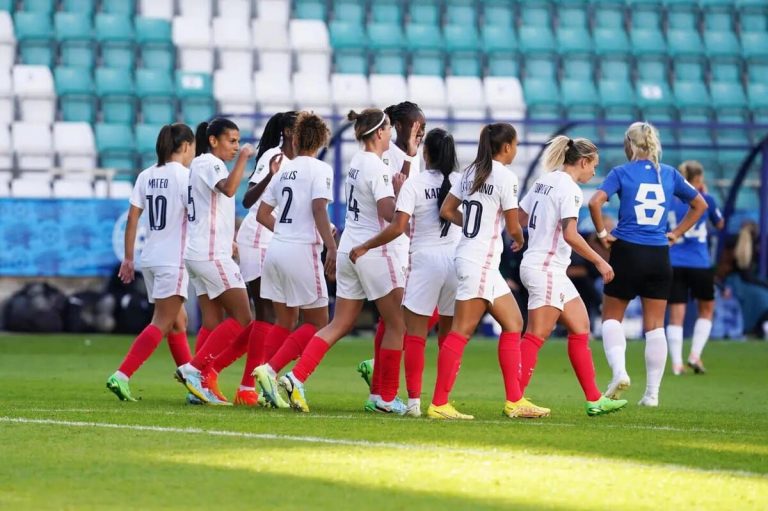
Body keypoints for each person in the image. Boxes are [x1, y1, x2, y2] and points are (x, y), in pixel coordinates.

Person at [256, 108, 408, 414]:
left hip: (347, 247)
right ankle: (385, 398)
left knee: (338, 323)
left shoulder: (355, 162)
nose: (391, 133)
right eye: (388, 128)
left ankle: (296, 377)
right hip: (371, 250)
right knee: (397, 324)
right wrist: (401, 191)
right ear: (379, 133)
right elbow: (388, 213)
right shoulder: (376, 168)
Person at [433, 122, 547, 420]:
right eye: (516, 145)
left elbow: (446, 210)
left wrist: (471, 228)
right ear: (507, 146)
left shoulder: (470, 172)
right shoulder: (506, 177)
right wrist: (520, 239)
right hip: (480, 261)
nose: (517, 150)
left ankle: (515, 400)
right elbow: (513, 226)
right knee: (461, 331)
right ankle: (439, 403)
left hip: (475, 258)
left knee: (513, 322)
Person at [588, 122, 708, 407]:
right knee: (655, 326)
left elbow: (595, 202)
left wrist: (603, 235)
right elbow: (700, 204)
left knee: (612, 317)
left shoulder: (621, 172)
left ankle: (619, 373)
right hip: (658, 254)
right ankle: (652, 394)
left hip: (627, 250)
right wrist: (676, 233)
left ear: (630, 144)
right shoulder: (669, 173)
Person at [349, 128, 460, 417]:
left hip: (424, 261)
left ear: (427, 154)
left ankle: (413, 403)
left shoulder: (414, 184)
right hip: (456, 260)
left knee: (415, 335)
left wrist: (365, 245)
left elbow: (398, 227)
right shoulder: (460, 182)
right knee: (449, 337)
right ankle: (442, 402)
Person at [516, 135, 628, 416]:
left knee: (580, 327)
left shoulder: (545, 180)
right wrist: (600, 261)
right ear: (583, 161)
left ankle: (594, 398)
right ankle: (515, 398)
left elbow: (520, 215)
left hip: (542, 265)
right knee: (536, 335)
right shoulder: (570, 188)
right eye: (594, 165)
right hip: (547, 267)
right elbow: (570, 234)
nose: (594, 172)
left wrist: (521, 237)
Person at [249, 112, 337, 412]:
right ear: (322, 140)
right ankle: (271, 371)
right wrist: (331, 245)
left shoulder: (284, 171)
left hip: (276, 250)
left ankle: (264, 388)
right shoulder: (321, 169)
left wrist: (287, 232)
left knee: (285, 320)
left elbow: (262, 214)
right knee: (320, 323)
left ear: (296, 139)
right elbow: (318, 208)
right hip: (301, 252)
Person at [174, 118, 264, 405]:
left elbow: (208, 209)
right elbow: (228, 189)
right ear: (213, 141)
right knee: (244, 317)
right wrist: (246, 160)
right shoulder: (210, 163)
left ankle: (199, 388)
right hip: (211, 255)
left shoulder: (198, 166)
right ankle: (194, 369)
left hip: (200, 252)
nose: (237, 147)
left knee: (212, 321)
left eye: (239, 142)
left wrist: (229, 239)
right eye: (232, 141)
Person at [107, 123, 196, 401]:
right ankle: (122, 374)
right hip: (173, 259)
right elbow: (196, 218)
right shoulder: (186, 177)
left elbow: (133, 218)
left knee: (178, 322)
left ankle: (194, 387)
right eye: (192, 146)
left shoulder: (147, 175)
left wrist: (129, 258)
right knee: (161, 321)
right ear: (184, 146)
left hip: (151, 259)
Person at [356, 101, 428, 400]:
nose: (421, 133)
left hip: (403, 244)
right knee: (399, 320)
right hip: (390, 245)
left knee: (395, 320)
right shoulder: (388, 156)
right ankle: (384, 389)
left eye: (423, 128)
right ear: (398, 127)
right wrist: (410, 155)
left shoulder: (412, 154)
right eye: (417, 127)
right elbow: (396, 203)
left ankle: (380, 375)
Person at [230, 112, 297, 405]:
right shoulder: (275, 156)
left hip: (277, 242)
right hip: (257, 239)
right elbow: (247, 200)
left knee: (279, 317)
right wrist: (270, 173)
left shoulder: (300, 162)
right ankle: (248, 388)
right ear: (286, 130)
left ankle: (218, 370)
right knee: (268, 315)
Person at [666, 160, 724, 375]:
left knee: (675, 315)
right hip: (699, 262)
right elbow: (720, 224)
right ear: (698, 180)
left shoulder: (670, 201)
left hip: (673, 261)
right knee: (706, 310)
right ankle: (695, 354)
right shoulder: (706, 199)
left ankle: (676, 364)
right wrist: (705, 195)